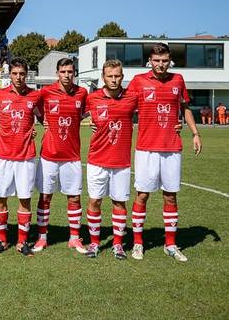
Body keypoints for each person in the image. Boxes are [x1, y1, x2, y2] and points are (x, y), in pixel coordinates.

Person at [128, 43, 202, 262]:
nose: (160, 65)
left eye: (164, 60)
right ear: (149, 60)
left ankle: (170, 244)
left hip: (172, 148)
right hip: (146, 149)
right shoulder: (138, 82)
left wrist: (195, 133)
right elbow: (123, 106)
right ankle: (138, 243)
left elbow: (185, 108)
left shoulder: (178, 80)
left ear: (170, 61)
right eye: (156, 60)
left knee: (170, 194)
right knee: (142, 194)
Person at [83, 60, 138, 260]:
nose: (114, 80)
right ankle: (94, 243)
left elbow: (151, 112)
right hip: (97, 159)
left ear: (122, 77)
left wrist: (175, 123)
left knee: (119, 202)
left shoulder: (133, 98)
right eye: (110, 76)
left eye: (117, 76)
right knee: (94, 200)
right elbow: (72, 115)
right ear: (103, 78)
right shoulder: (92, 98)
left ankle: (117, 245)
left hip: (121, 162)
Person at [33, 58, 88, 254]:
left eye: (70, 72)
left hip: (72, 156)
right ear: (57, 73)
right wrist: (42, 120)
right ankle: (42, 237)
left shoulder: (82, 93)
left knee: (74, 197)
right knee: (45, 196)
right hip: (49, 154)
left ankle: (74, 238)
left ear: (75, 73)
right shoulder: (46, 92)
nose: (67, 75)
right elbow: (33, 106)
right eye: (63, 71)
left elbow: (86, 113)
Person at [0, 57, 41, 256]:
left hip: (26, 156)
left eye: (22, 73)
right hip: (3, 155)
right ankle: (2, 241)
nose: (18, 77)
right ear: (9, 74)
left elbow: (45, 118)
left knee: (25, 198)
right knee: (0, 198)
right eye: (15, 73)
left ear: (26, 74)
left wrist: (36, 128)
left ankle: (22, 242)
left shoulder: (35, 96)